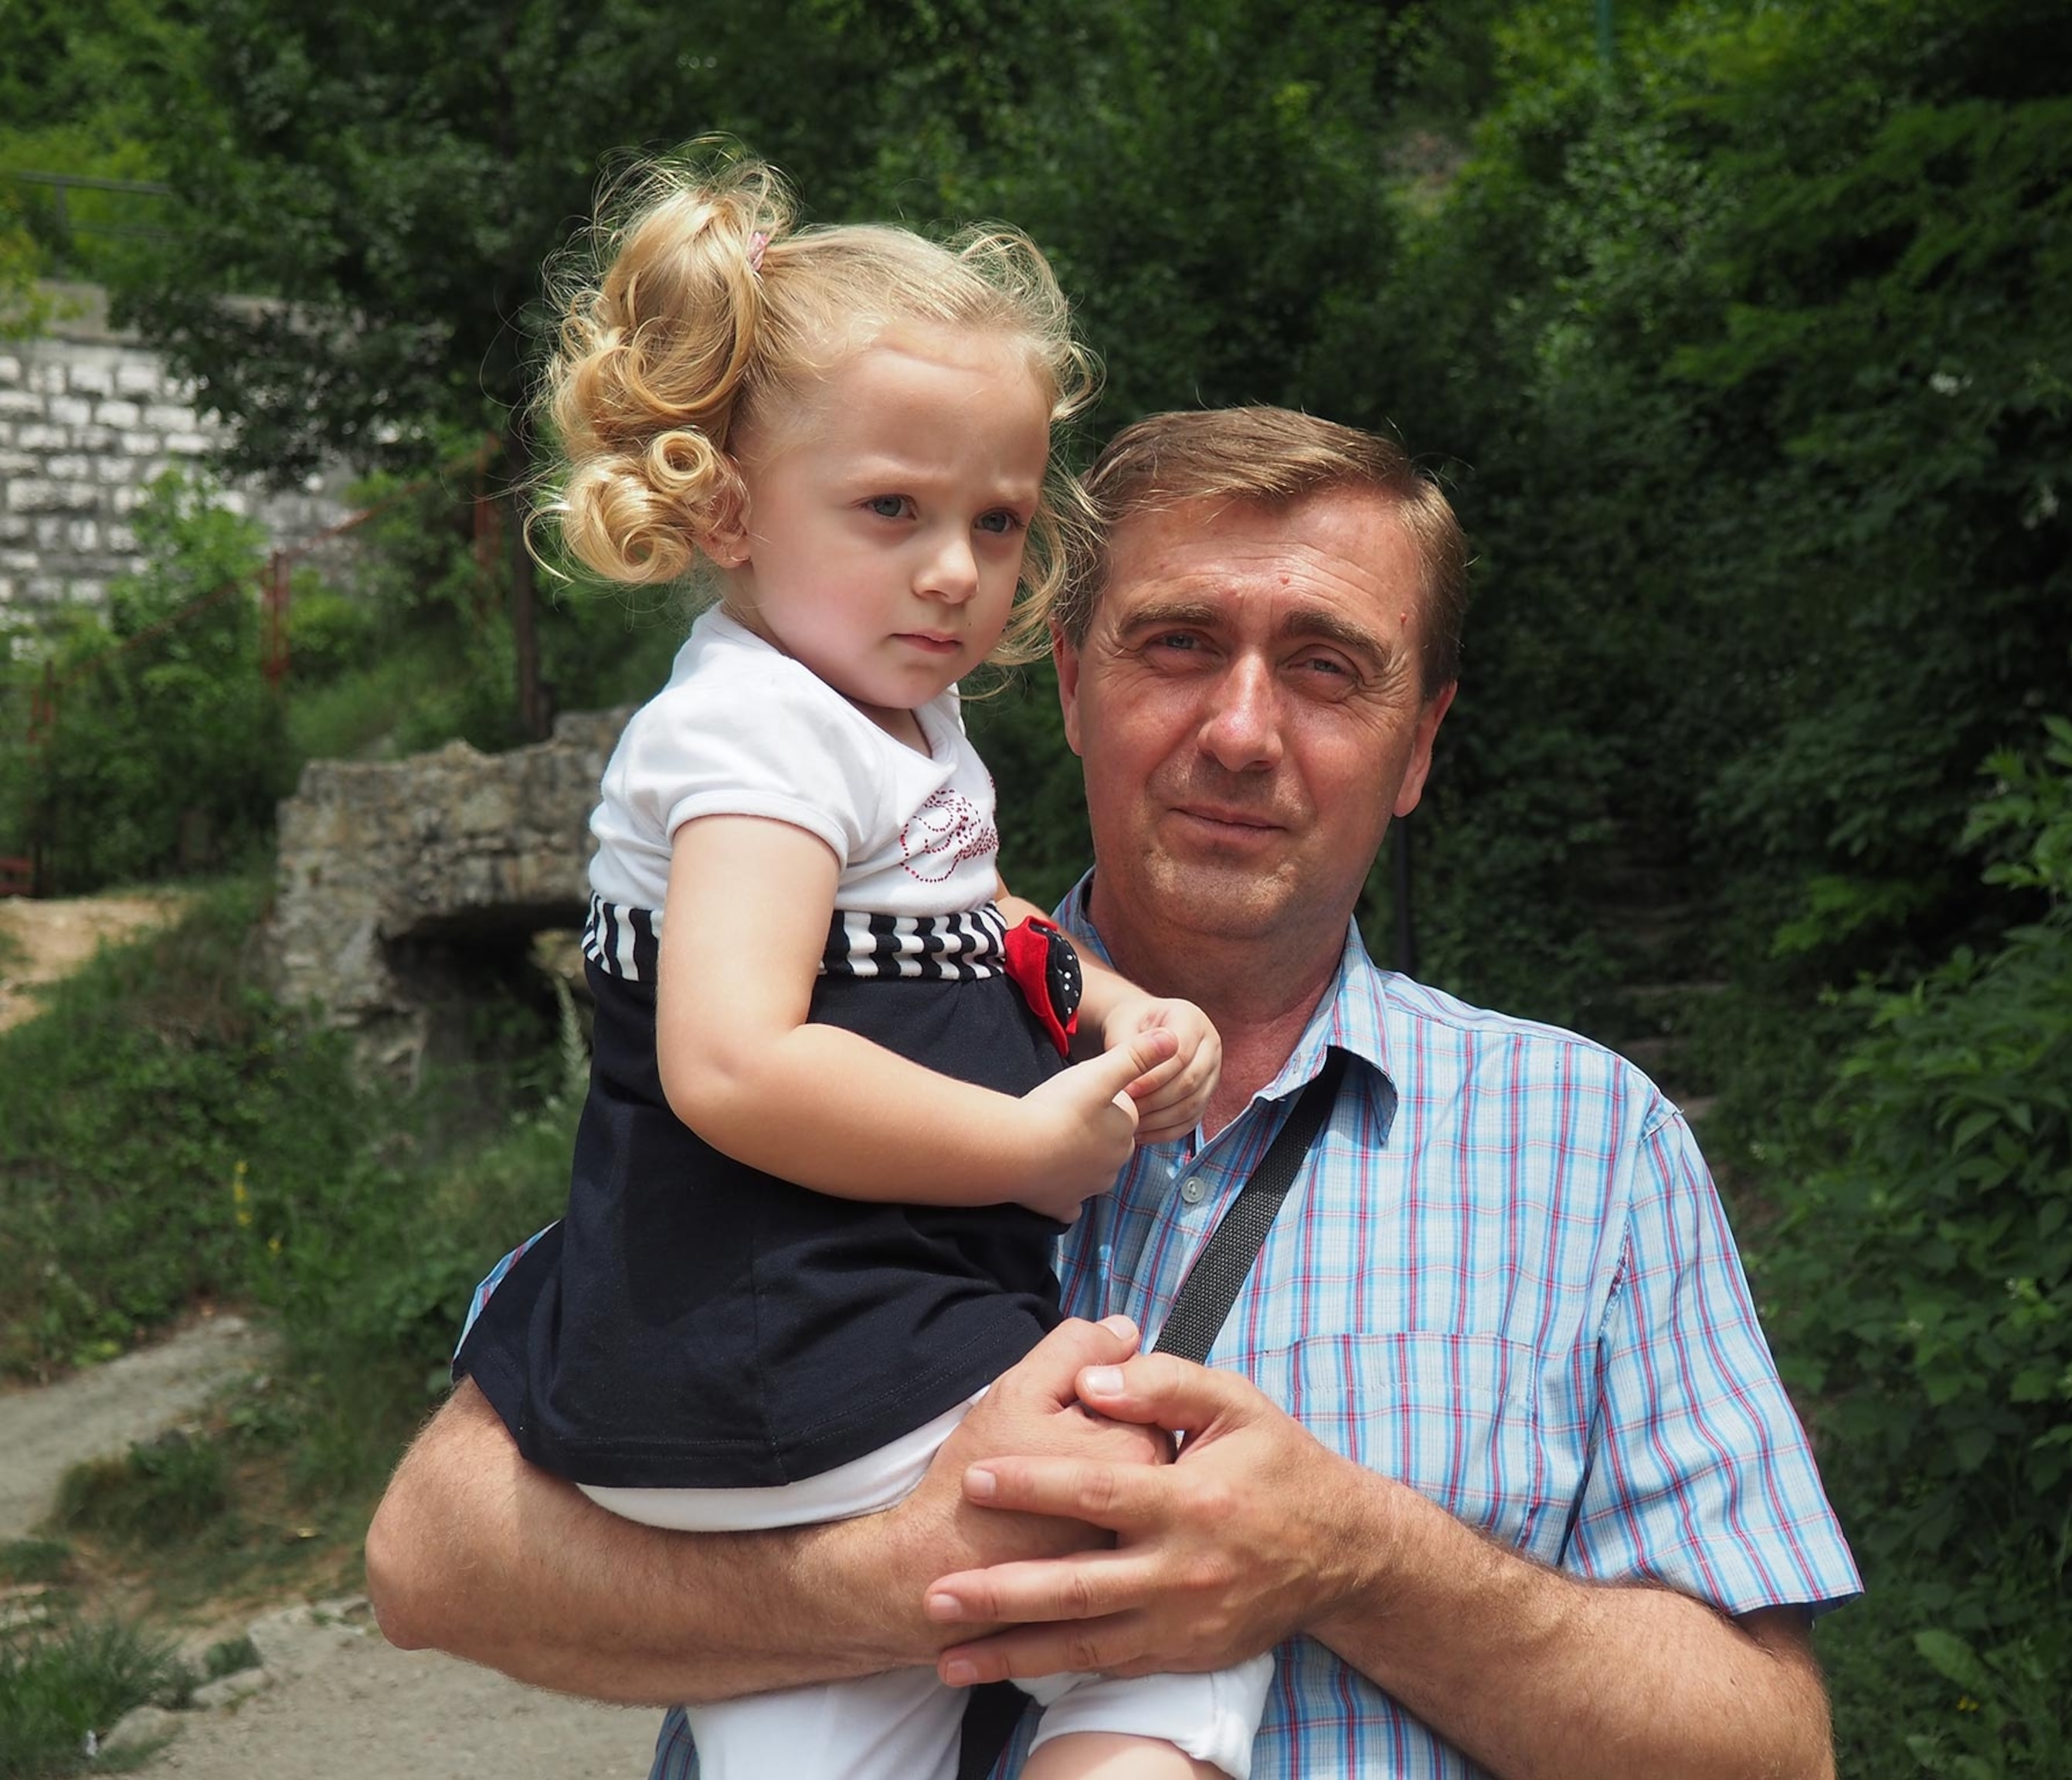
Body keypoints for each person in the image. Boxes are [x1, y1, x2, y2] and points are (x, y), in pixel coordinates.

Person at [369, 406, 1864, 1779]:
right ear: (1073, 687)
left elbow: (1769, 1748)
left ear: (1418, 751)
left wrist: (1353, 1562)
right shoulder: (822, 1038)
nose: (1238, 730)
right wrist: (899, 1577)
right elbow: (435, 1558)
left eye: (1329, 669)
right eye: (1177, 646)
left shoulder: (1587, 1146)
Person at [449, 155, 1273, 1780]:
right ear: (734, 511)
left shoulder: (869, 719)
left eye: (997, 521)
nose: (956, 572)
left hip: (780, 1352)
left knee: (836, 1731)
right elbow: (734, 1063)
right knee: (1172, 1569)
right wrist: (1029, 1147)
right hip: (790, 1341)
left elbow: (960, 909)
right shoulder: (753, 737)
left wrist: (1100, 994)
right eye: (893, 510)